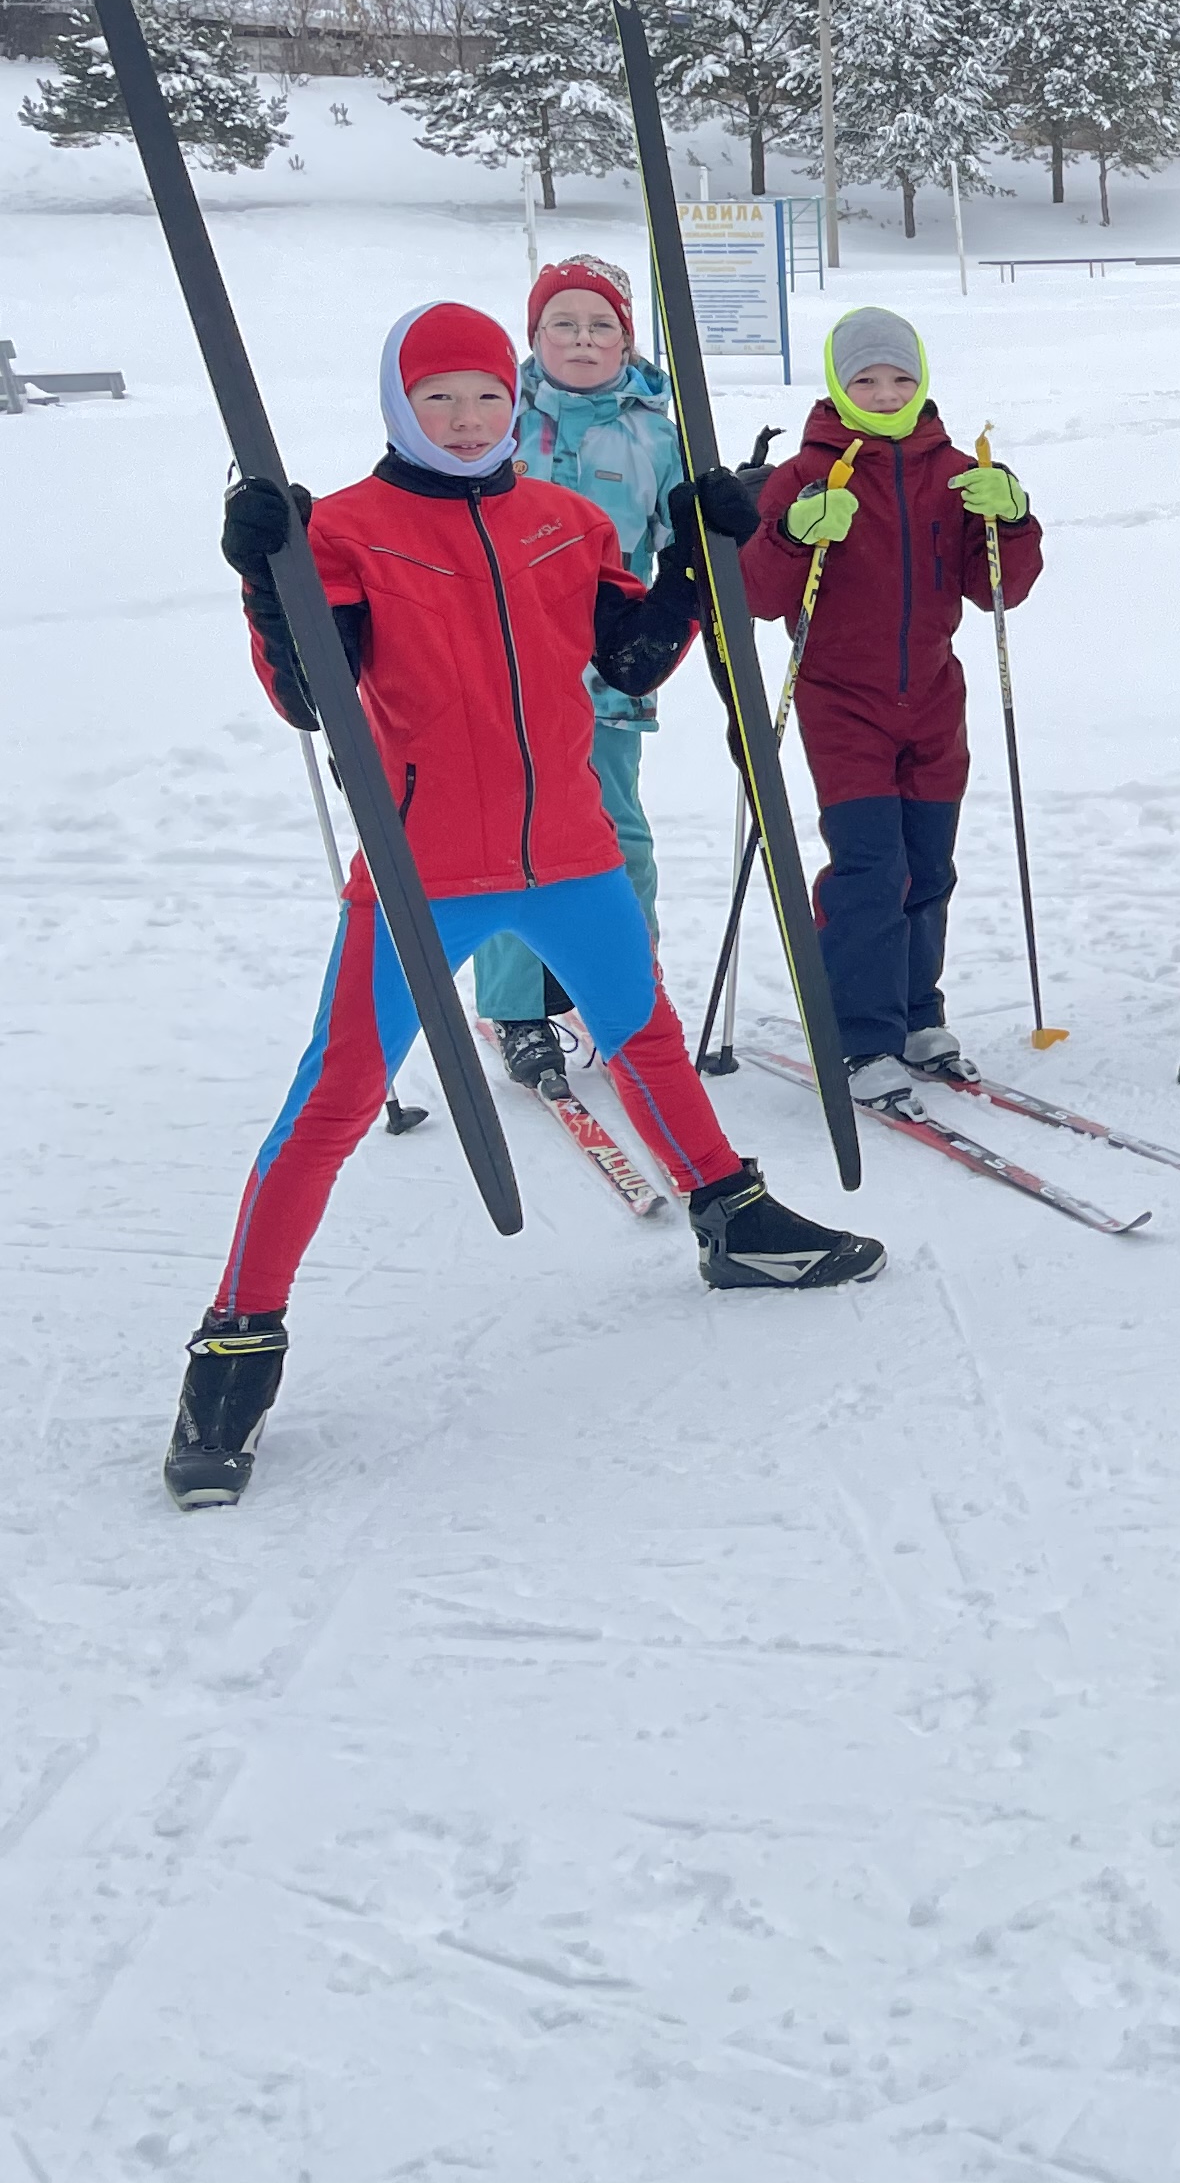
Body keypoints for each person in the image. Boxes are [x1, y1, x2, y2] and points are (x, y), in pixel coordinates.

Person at [172, 302, 883, 1508]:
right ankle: (237, 1342)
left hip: (568, 848)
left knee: (646, 1036)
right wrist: (266, 576)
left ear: (514, 404)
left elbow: (631, 661)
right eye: (438, 398)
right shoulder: (340, 527)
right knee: (335, 1097)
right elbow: (312, 694)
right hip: (419, 868)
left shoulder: (562, 520)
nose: (465, 419)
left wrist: (699, 554)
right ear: (402, 405)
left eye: (485, 397)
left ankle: (734, 1220)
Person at [739, 308, 1046, 1105]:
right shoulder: (809, 471)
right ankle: (859, 1035)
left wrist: (1011, 518)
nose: (884, 393)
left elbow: (997, 590)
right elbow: (758, 596)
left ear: (923, 381)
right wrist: (793, 531)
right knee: (871, 869)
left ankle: (916, 1014)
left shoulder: (956, 470)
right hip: (840, 700)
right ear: (839, 385)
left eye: (899, 378)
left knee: (928, 866)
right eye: (866, 380)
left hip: (935, 698)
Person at [473, 257, 689, 1095]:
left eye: (601, 325)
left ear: (626, 338)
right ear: (534, 337)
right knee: (507, 842)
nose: (583, 339)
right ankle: (518, 1008)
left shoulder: (657, 434)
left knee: (617, 836)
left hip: (607, 672)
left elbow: (684, 545)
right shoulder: (494, 419)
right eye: (563, 323)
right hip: (497, 676)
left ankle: (624, 992)